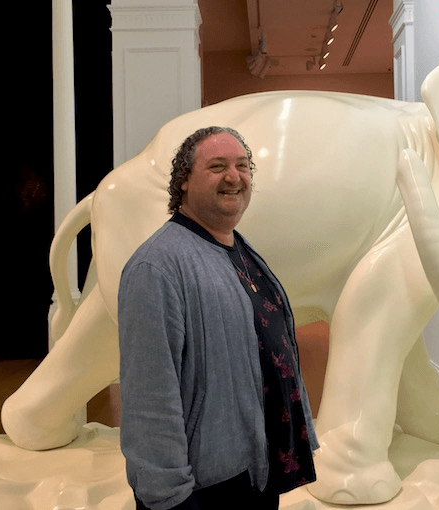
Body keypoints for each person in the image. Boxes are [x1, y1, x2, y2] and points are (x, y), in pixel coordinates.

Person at [118, 126, 318, 510]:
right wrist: (167, 494)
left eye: (243, 166)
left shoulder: (237, 247)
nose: (234, 176)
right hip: (206, 488)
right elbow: (149, 398)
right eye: (217, 166)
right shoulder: (156, 267)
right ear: (184, 184)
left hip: (255, 470)